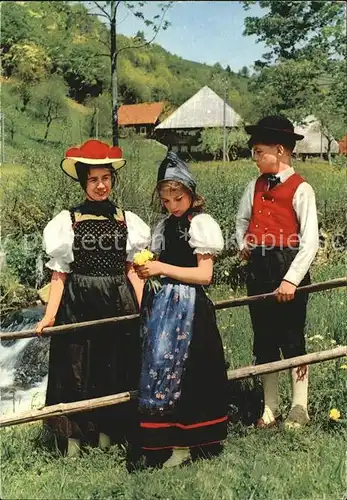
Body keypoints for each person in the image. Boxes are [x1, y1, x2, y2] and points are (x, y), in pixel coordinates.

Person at [36, 139, 150, 456]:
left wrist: (143, 308)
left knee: (115, 366)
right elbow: (59, 275)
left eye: (106, 179)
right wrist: (48, 316)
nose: (101, 186)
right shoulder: (68, 221)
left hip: (117, 297)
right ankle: (72, 440)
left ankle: (108, 435)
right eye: (93, 180)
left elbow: (131, 270)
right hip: (79, 301)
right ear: (84, 182)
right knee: (75, 368)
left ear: (112, 179)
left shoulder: (126, 220)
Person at [135, 151, 228, 468]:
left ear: (190, 193)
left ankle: (190, 444)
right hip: (164, 310)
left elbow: (205, 275)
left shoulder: (200, 224)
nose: (173, 205)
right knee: (162, 370)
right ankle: (167, 442)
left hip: (191, 310)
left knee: (189, 373)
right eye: (166, 199)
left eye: (178, 197)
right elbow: (157, 266)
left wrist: (162, 267)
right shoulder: (162, 227)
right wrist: (148, 270)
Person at [236, 116, 319, 429]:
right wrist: (243, 242)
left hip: (288, 267)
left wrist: (291, 279)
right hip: (259, 270)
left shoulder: (302, 190)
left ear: (281, 150)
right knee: (265, 339)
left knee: (292, 337)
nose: (255, 158)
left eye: (259, 152)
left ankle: (300, 406)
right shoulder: (253, 186)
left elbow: (309, 242)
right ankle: (270, 408)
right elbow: (243, 220)